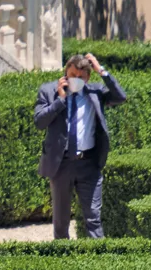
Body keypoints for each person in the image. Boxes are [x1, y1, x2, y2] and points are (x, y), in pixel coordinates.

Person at [34, 53, 127, 239]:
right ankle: (63, 262)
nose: (75, 80)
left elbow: (120, 97)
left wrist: (101, 70)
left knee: (93, 218)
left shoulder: (95, 92)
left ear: (88, 77)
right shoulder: (48, 91)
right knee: (60, 221)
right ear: (65, 73)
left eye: (80, 77)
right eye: (71, 75)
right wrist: (60, 100)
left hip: (88, 164)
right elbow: (39, 122)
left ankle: (99, 262)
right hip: (61, 165)